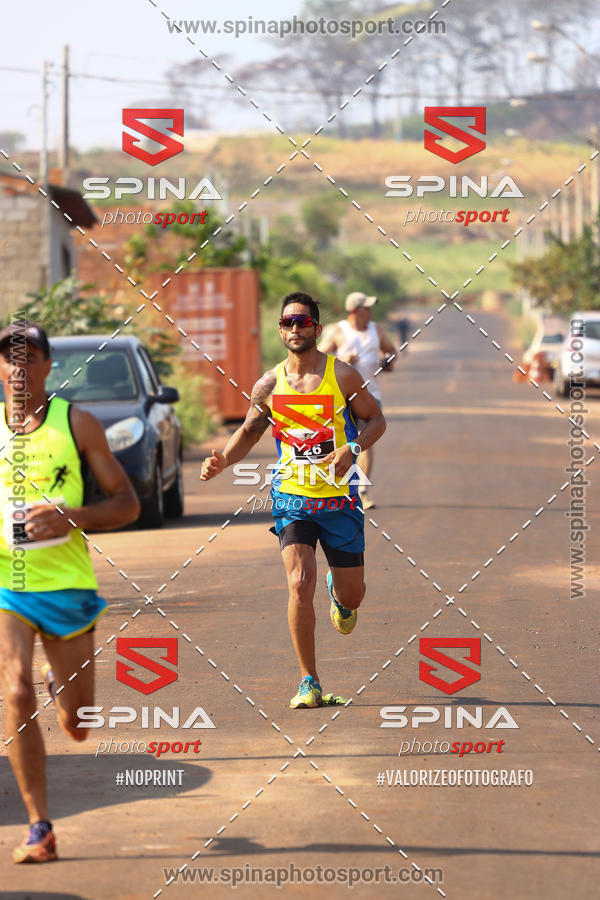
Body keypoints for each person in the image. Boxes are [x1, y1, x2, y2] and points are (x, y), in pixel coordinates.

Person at [201, 292, 386, 709]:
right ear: (280, 330)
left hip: (339, 501)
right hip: (292, 498)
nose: (295, 328)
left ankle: (340, 596)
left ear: (317, 329)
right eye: (287, 322)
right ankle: (309, 682)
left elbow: (376, 419)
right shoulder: (269, 385)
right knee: (299, 584)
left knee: (353, 596)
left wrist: (353, 448)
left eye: (303, 322)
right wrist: (224, 461)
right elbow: (249, 431)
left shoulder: (343, 377)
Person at [0, 321, 140, 863]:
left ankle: (60, 686)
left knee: (78, 725)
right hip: (8, 585)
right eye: (8, 357)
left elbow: (126, 503)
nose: (17, 367)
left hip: (67, 585)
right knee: (15, 693)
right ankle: (39, 827)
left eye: (28, 356)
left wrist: (71, 517)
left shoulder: (76, 423)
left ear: (46, 365)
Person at [318, 291, 396, 510]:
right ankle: (334, 488)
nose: (370, 312)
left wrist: (387, 361)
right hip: (341, 397)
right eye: (366, 308)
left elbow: (391, 352)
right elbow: (317, 358)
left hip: (370, 395)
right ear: (354, 310)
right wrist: (341, 359)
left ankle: (361, 491)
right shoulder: (337, 331)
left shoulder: (376, 330)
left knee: (365, 441)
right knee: (338, 441)